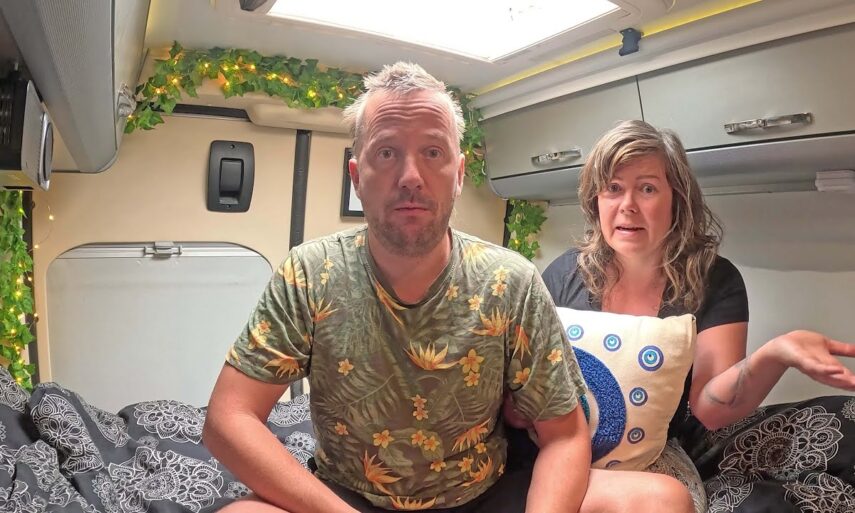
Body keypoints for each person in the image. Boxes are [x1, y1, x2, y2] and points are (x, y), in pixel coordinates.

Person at [203, 61, 594, 513]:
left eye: (433, 152)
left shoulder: (511, 281)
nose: (411, 176)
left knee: (651, 497)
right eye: (387, 152)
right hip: (347, 499)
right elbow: (228, 418)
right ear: (356, 177)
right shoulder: (309, 273)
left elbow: (565, 435)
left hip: (481, 497)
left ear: (459, 174)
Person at [539, 119, 855, 508]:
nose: (628, 205)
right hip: (560, 447)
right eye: (613, 189)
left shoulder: (714, 280)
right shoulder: (563, 275)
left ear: (677, 199)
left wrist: (775, 354)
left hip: (655, 452)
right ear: (596, 200)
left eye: (647, 188)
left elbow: (710, 412)